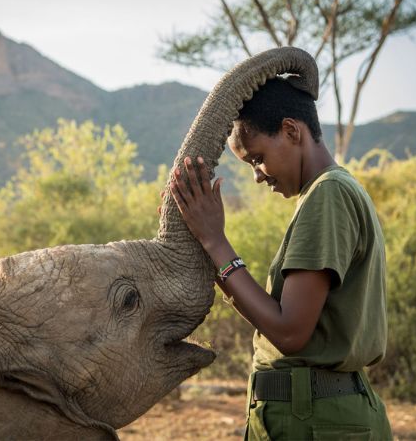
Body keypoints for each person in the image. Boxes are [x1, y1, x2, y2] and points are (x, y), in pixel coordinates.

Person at [168, 76, 393, 440]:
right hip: (310, 416)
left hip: (318, 421)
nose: (258, 176)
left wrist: (215, 241)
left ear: (291, 131)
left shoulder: (329, 194)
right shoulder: (327, 192)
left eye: (258, 159)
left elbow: (289, 331)